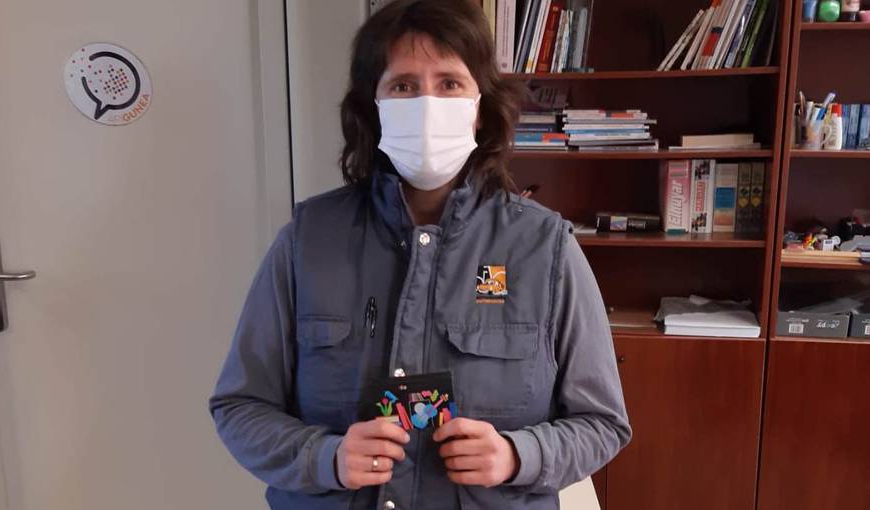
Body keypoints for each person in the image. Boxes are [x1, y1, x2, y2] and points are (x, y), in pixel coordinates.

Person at [209, 1, 630, 508]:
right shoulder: (306, 242)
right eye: (403, 86)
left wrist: (519, 455)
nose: (427, 103)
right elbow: (240, 407)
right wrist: (325, 458)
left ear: (480, 106)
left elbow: (603, 422)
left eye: (449, 83)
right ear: (374, 105)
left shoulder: (546, 248)